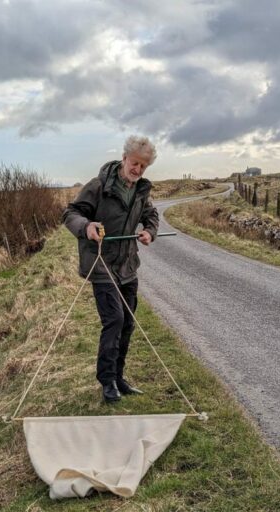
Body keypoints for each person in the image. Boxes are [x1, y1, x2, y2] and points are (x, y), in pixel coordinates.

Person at [62, 135, 160, 403]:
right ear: (124, 157)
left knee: (127, 323)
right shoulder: (99, 185)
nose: (137, 170)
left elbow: (151, 215)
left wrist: (149, 231)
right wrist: (87, 227)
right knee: (114, 320)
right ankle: (106, 382)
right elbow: (70, 213)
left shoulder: (141, 191)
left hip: (127, 265)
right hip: (101, 263)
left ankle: (119, 378)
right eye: (134, 163)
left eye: (143, 166)